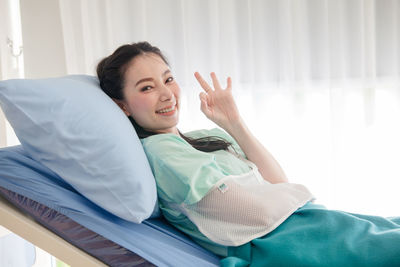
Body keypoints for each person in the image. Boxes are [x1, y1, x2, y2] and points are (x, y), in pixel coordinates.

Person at [97, 42, 400, 266]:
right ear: (123, 105)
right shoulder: (161, 152)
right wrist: (287, 195)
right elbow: (255, 213)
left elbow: (279, 182)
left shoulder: (202, 138)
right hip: (281, 242)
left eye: (168, 79)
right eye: (147, 88)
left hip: (304, 223)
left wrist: (234, 124)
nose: (166, 94)